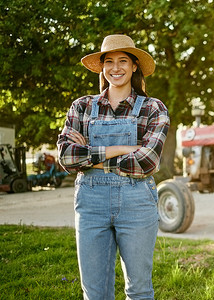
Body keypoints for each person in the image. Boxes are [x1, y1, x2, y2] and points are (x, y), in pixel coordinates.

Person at [57, 34, 170, 300]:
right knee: (95, 293)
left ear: (134, 66)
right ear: (102, 67)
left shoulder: (153, 108)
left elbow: (147, 161)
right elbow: (66, 157)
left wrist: (90, 155)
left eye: (123, 61)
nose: (115, 68)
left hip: (136, 200)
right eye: (109, 61)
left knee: (139, 290)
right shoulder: (81, 107)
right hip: (90, 201)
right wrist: (122, 148)